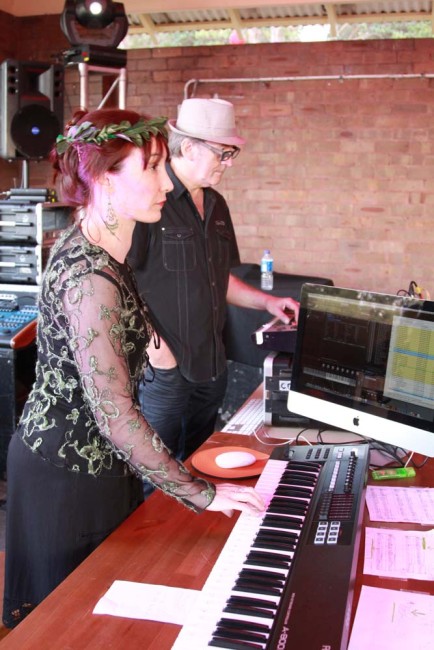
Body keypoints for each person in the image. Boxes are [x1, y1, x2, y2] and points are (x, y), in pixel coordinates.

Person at [2, 107, 265, 629]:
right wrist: (203, 492)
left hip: (106, 465)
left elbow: (134, 329)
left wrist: (162, 361)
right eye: (149, 167)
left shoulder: (107, 252)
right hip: (65, 476)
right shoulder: (89, 277)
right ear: (104, 180)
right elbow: (115, 414)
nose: (160, 180)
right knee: (66, 627)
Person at [128, 97, 299, 462]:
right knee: (157, 479)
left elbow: (217, 279)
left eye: (231, 154)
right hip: (165, 375)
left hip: (211, 366)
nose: (228, 163)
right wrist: (157, 351)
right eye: (223, 153)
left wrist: (266, 302)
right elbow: (122, 284)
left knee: (202, 466)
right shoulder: (151, 202)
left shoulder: (217, 205)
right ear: (189, 148)